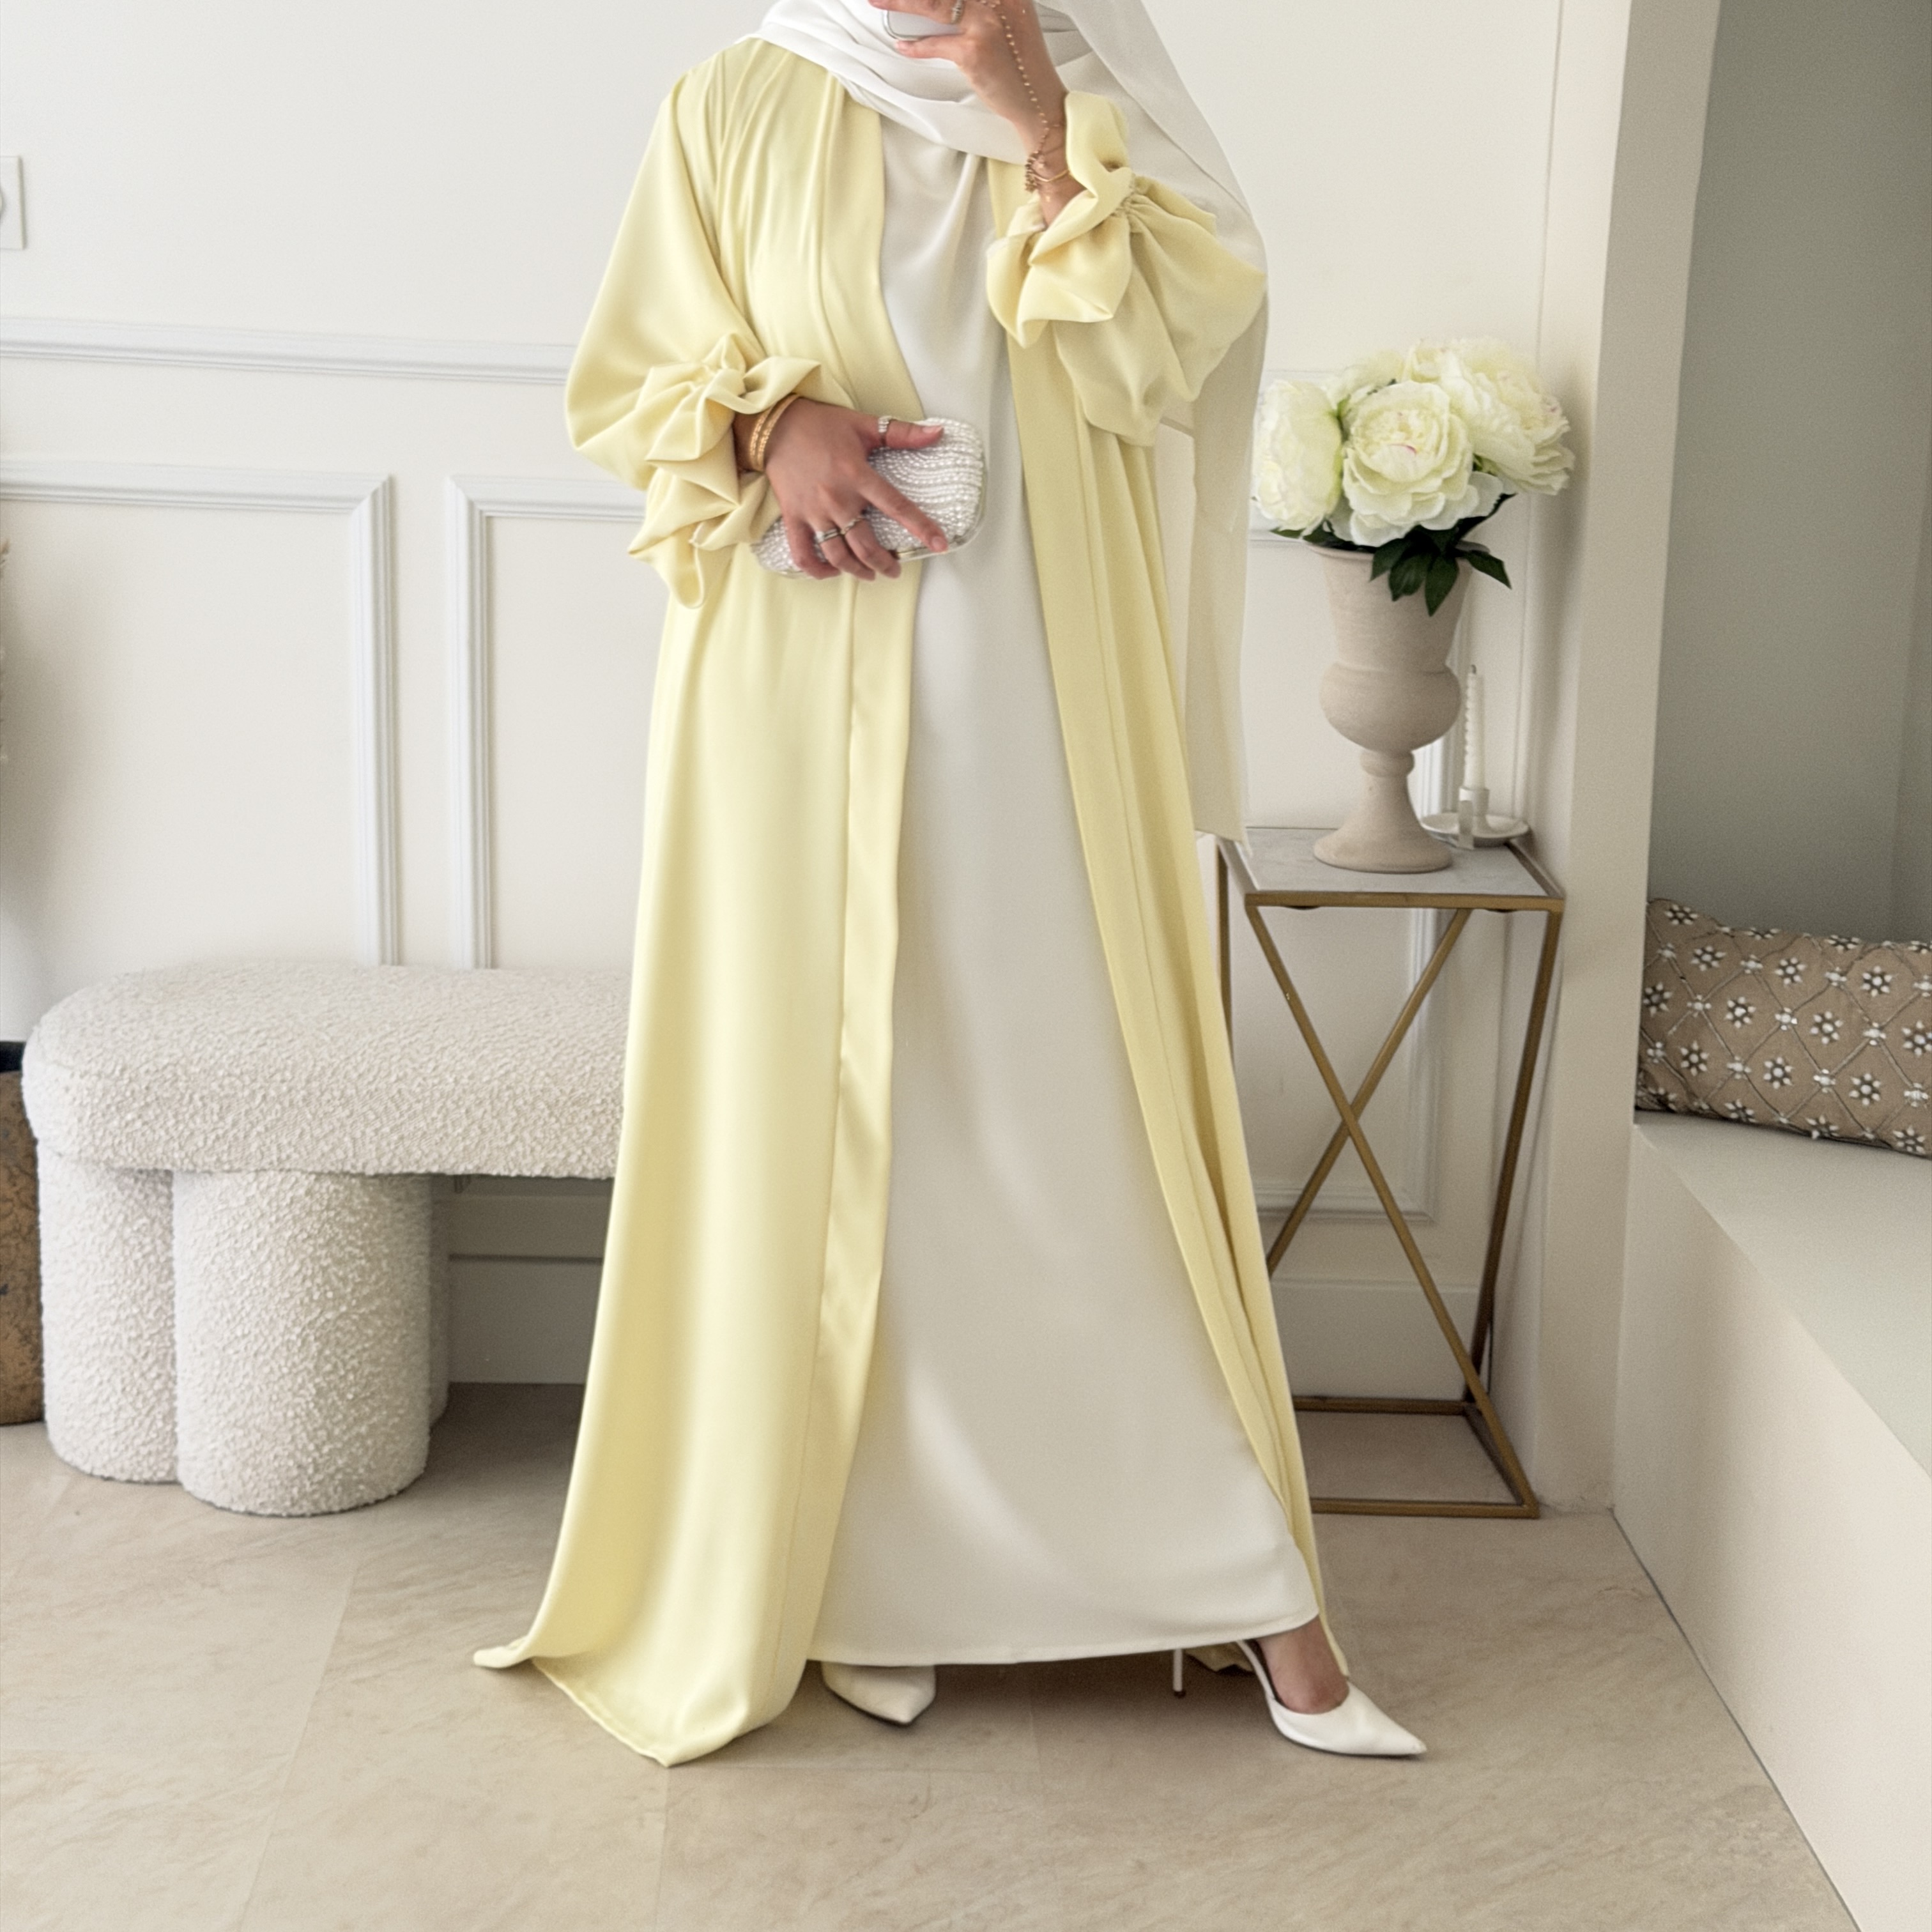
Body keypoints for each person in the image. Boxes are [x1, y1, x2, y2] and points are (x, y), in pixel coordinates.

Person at [477, 0, 1424, 1767]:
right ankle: (877, 1595)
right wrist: (773, 429)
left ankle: (1240, 1581)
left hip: (1041, 692)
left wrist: (1036, 115)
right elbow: (628, 381)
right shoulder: (736, 100)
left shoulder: (1088, 80)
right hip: (789, 693)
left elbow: (1157, 367)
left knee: (1067, 1113)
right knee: (846, 1112)